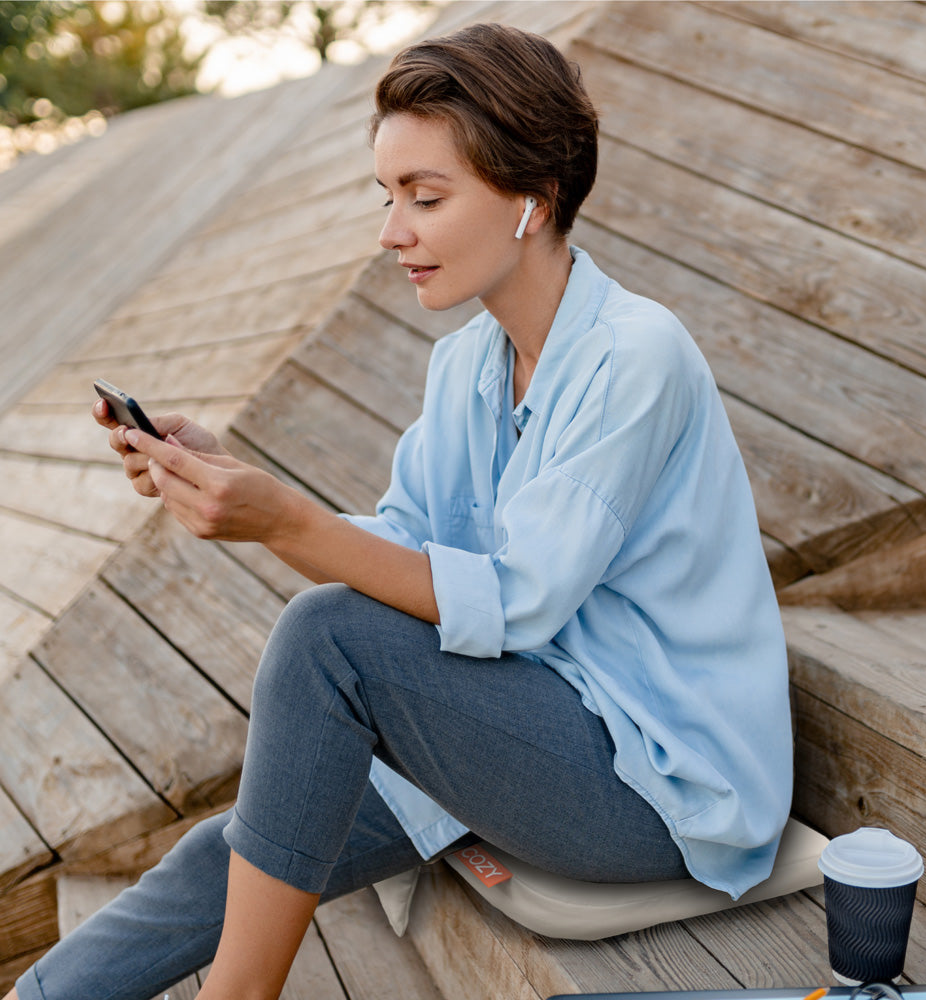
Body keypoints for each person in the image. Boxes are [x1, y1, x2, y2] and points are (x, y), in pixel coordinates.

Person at [8, 21, 792, 1000]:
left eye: (425, 197)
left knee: (327, 638)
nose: (391, 231)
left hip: (657, 787)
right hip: (522, 721)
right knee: (244, 843)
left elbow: (516, 601)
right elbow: (408, 548)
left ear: (534, 197)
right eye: (387, 197)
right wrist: (233, 476)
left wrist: (283, 520)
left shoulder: (637, 355)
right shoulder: (466, 365)